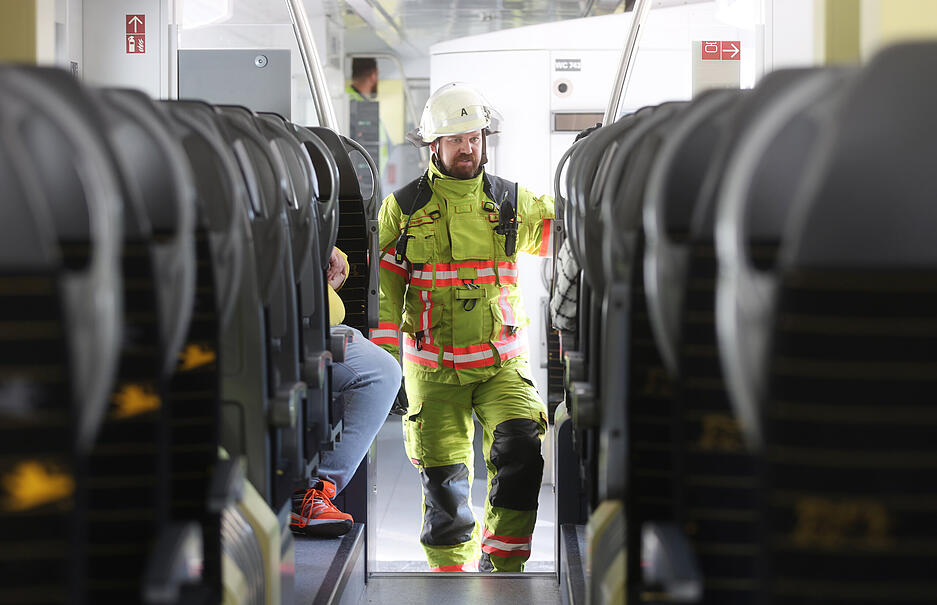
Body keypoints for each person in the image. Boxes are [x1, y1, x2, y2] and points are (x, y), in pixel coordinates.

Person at [370, 82, 555, 572]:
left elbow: (569, 230)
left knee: (522, 446)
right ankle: (449, 576)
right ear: (435, 146)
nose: (468, 148)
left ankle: (504, 564)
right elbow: (385, 295)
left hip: (500, 364)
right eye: (456, 140)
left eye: (474, 138)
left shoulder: (512, 202)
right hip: (432, 372)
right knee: (446, 484)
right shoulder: (404, 210)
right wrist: (386, 369)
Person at [290, 246, 401, 538]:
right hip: (274, 319)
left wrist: (335, 257)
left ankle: (315, 490)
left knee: (380, 371)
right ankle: (306, 495)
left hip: (317, 325)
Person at [347, 57, 390, 173]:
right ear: (373, 76)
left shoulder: (358, 102)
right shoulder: (354, 104)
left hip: (371, 173)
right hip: (363, 175)